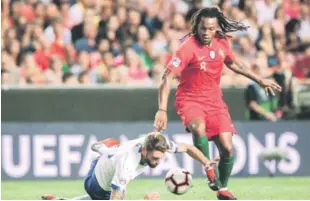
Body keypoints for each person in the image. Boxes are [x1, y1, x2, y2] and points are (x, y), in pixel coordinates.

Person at [153, 7, 282, 200]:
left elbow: (234, 64)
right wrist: (162, 109)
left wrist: (260, 79)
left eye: (211, 29)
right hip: (190, 98)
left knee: (228, 148)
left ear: (216, 28)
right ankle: (209, 170)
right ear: (197, 26)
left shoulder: (222, 43)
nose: (206, 33)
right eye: (203, 28)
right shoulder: (187, 47)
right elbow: (167, 76)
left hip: (214, 100)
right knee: (198, 127)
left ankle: (222, 189)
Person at [42, 132, 219, 200]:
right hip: (97, 186)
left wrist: (206, 162)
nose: (158, 161)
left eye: (161, 157)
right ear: (144, 150)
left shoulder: (157, 142)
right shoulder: (127, 164)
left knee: (113, 145)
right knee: (115, 195)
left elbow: (187, 148)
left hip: (100, 164)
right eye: (155, 158)